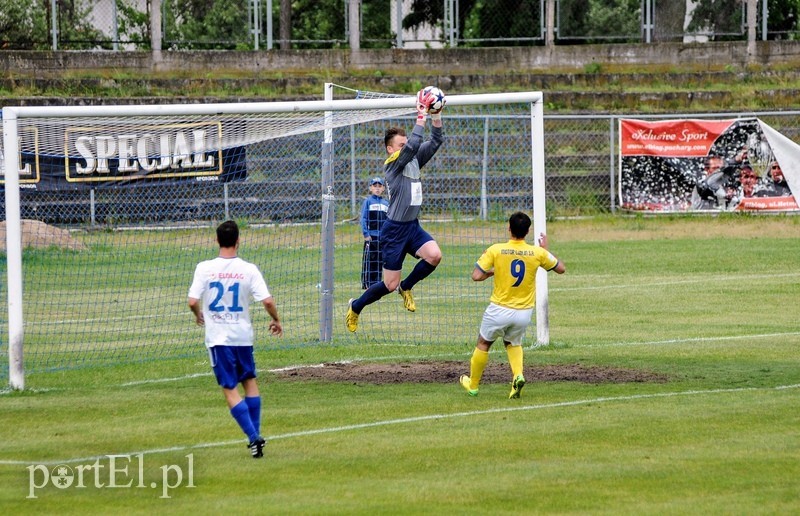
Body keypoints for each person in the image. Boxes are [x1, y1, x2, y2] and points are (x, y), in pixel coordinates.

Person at [345, 88, 445, 332]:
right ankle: (356, 307)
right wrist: (420, 116)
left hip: (412, 226)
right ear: (391, 149)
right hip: (394, 230)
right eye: (400, 144)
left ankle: (407, 287)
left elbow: (436, 141)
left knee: (434, 255)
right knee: (389, 284)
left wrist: (436, 115)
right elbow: (412, 146)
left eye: (404, 143)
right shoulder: (392, 165)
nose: (405, 146)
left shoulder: (412, 159)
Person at [187, 220, 283, 459]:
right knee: (249, 381)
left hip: (219, 338)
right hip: (242, 336)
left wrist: (198, 313)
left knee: (229, 388)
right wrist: (276, 320)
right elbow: (268, 301)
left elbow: (191, 300)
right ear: (239, 240)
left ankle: (253, 437)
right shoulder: (249, 269)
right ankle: (256, 435)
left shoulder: (204, 268)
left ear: (217, 240)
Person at [460, 212, 566, 399]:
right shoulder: (537, 252)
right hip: (523, 313)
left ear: (509, 228)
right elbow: (561, 269)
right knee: (512, 343)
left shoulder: (496, 249)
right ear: (527, 231)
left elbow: (476, 276)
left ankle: (473, 385)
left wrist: (493, 272)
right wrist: (546, 250)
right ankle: (518, 376)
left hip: (499, 309)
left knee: (483, 343)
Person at [360, 177, 389, 289]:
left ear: (383, 188)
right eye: (374, 186)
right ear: (370, 188)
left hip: (382, 238)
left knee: (379, 260)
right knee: (370, 260)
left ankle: (377, 284)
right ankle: (367, 284)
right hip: (371, 237)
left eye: (379, 186)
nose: (377, 188)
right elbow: (363, 218)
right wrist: (366, 234)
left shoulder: (386, 203)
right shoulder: (368, 202)